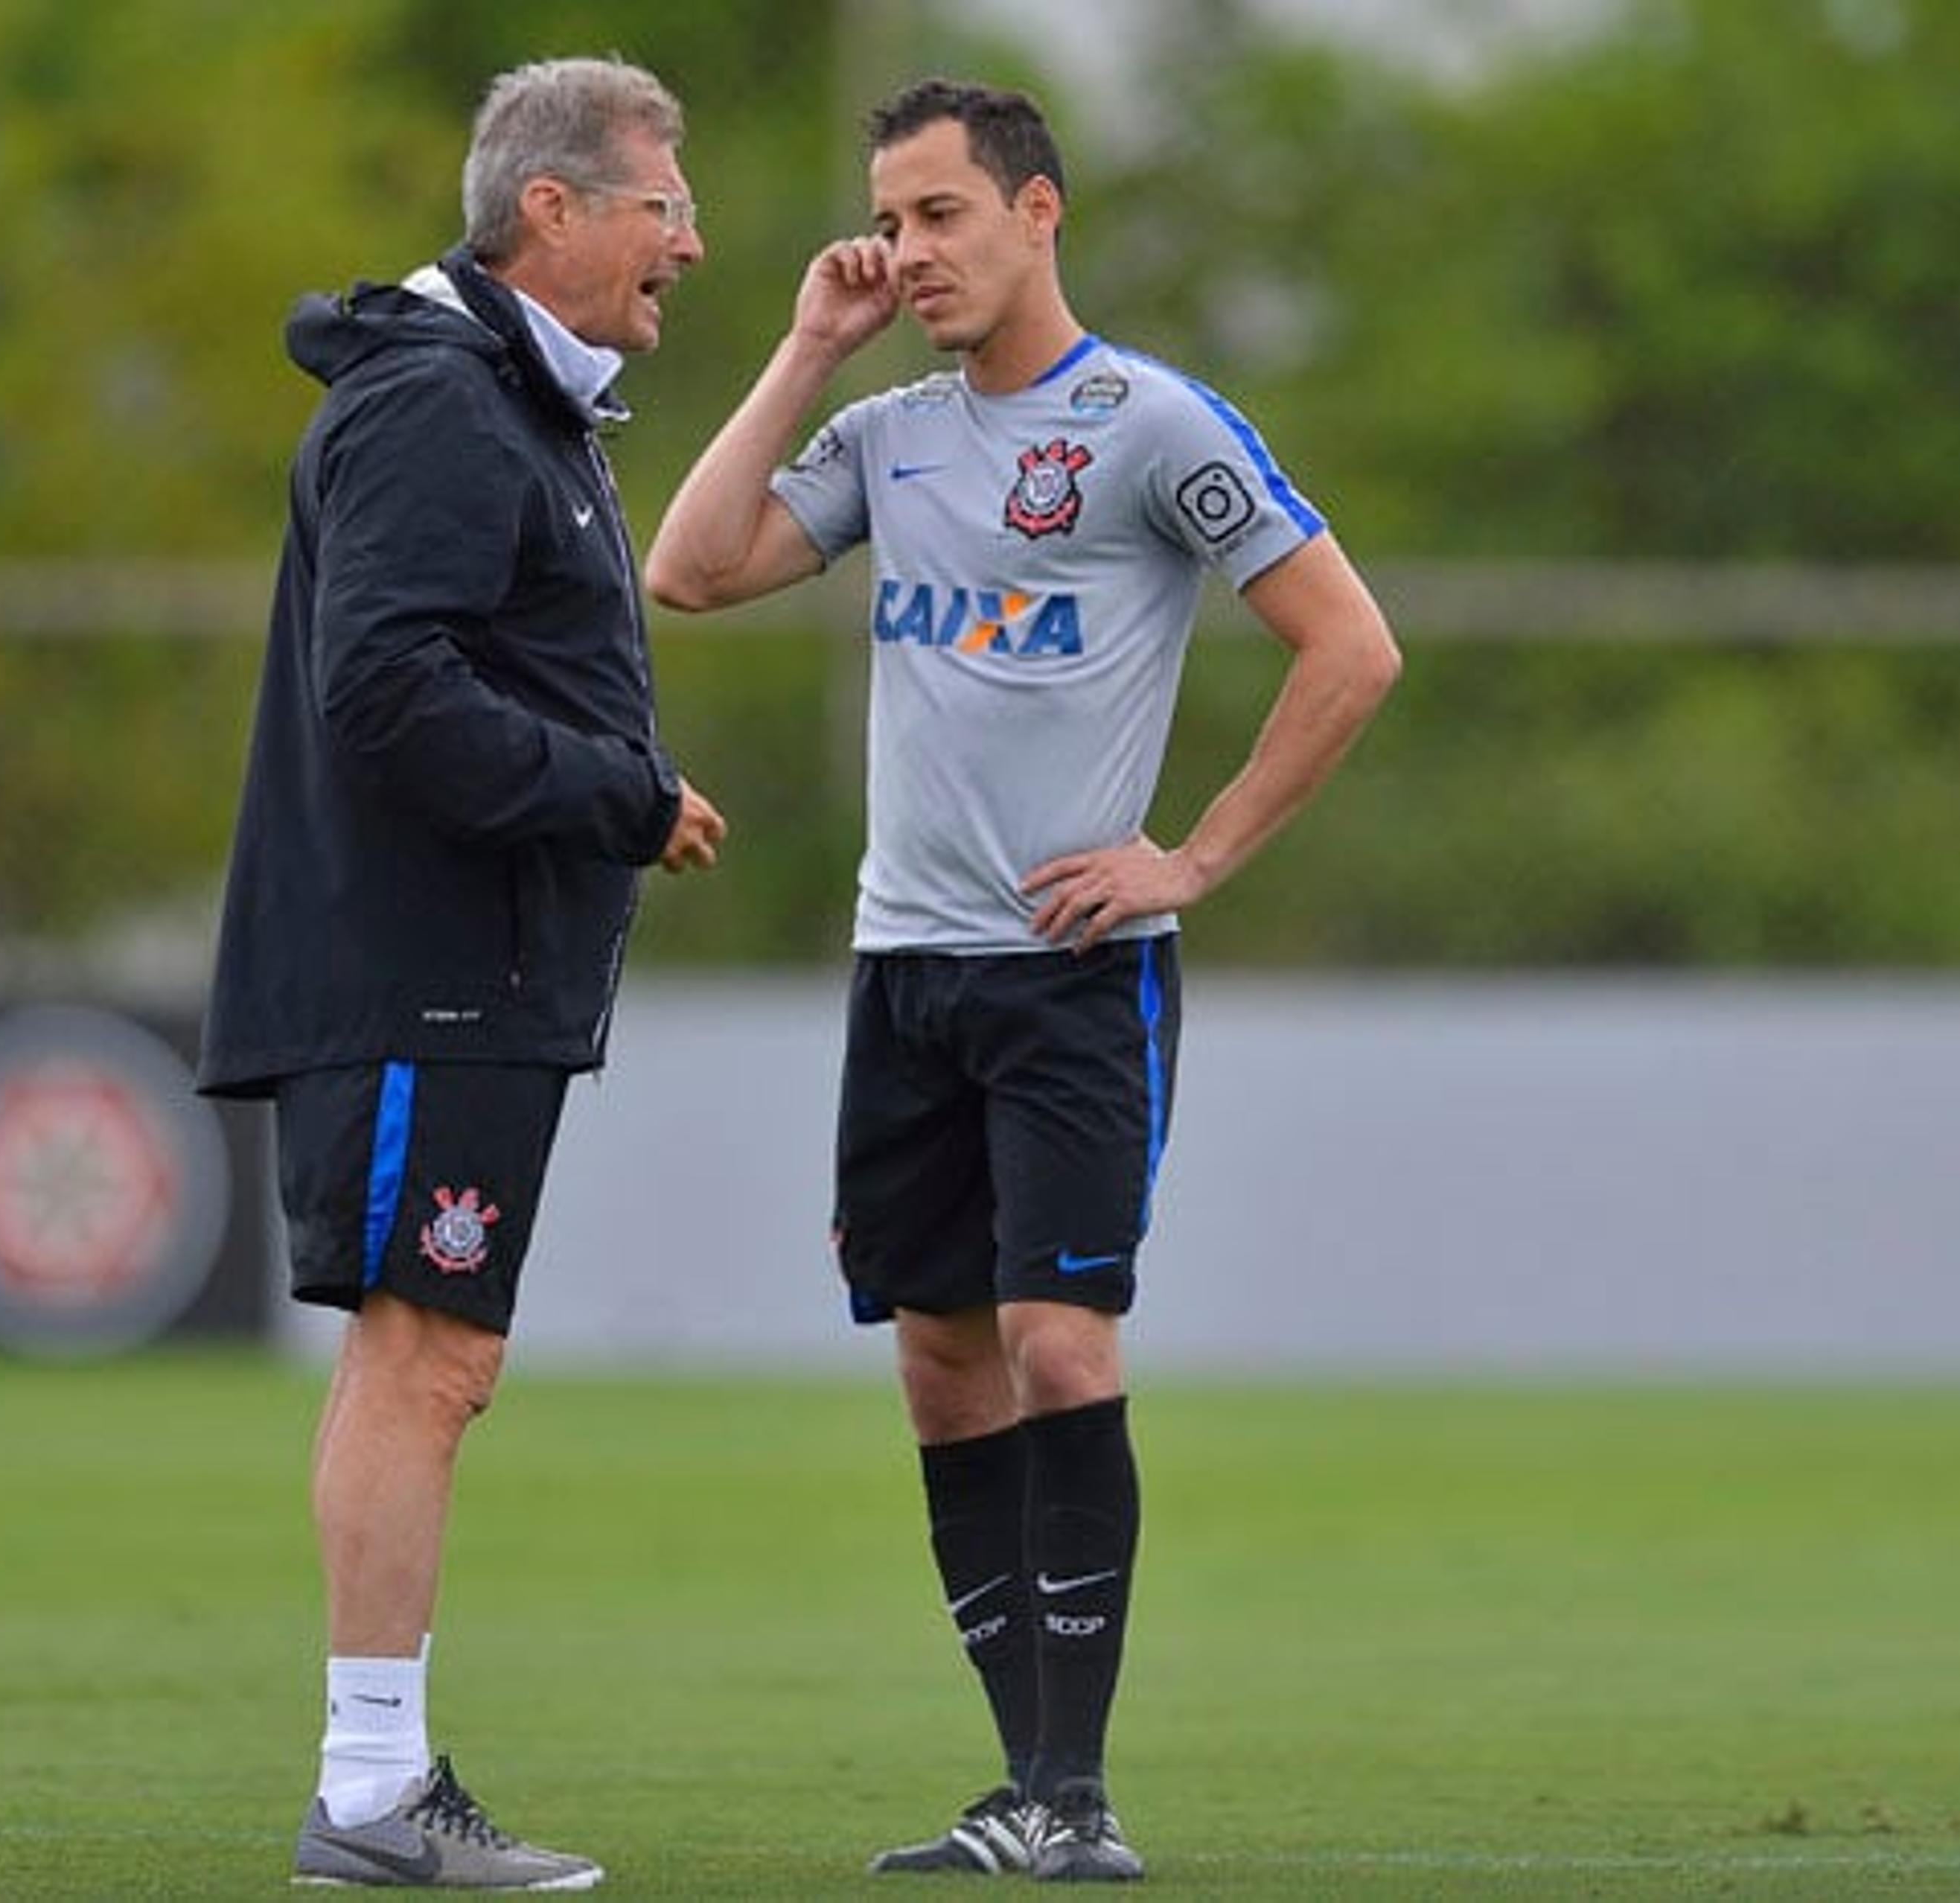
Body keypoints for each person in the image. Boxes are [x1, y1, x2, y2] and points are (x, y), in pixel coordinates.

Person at [646, 75, 1399, 1884]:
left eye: (940, 216)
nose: (908, 253)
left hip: (1072, 974)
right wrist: (806, 350)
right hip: (904, 967)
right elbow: (687, 569)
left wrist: (1190, 858)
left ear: (1038, 212)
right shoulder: (891, 434)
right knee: (939, 1363)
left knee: (1063, 1340)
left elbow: (1351, 646)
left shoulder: (1149, 425)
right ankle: (1024, 1791)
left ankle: (1079, 1794)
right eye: (889, 222)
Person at [196, 54, 727, 1892]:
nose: (694, 240)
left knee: (433, 1357)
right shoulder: (437, 402)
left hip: (463, 972)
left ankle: (371, 1783)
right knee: (428, 1361)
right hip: (424, 971)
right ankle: (367, 1791)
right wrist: (620, 796)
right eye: (665, 201)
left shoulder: (512, 401)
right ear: (553, 210)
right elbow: (390, 687)